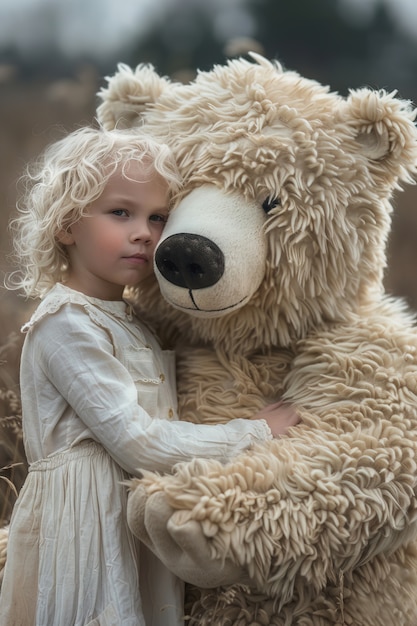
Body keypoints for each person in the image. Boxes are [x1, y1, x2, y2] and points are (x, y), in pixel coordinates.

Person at [0, 126, 299, 626]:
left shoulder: (132, 318)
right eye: (121, 212)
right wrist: (253, 434)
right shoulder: (66, 323)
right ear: (67, 224)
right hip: (88, 527)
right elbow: (136, 440)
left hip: (132, 518)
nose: (144, 232)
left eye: (158, 217)